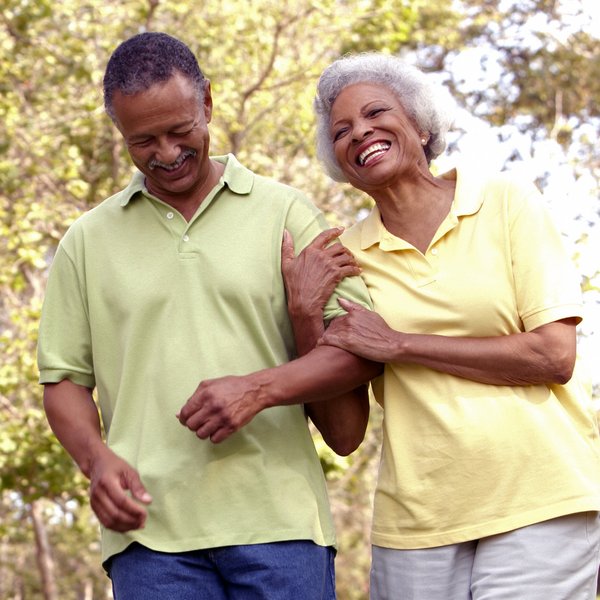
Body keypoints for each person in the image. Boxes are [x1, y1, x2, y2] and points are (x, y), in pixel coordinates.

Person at [37, 32, 381, 600]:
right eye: (143, 140)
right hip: (149, 540)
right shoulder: (85, 241)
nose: (166, 153)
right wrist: (95, 460)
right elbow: (65, 380)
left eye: (180, 131)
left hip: (281, 526)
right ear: (120, 132)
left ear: (209, 105)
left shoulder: (286, 212)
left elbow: (358, 349)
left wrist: (259, 388)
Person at [285, 52, 600, 599]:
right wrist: (305, 314)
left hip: (540, 496)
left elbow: (554, 355)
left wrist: (401, 345)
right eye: (341, 131)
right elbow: (343, 434)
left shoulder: (505, 203)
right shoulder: (344, 258)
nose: (360, 133)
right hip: (417, 522)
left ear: (419, 121)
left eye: (376, 112)